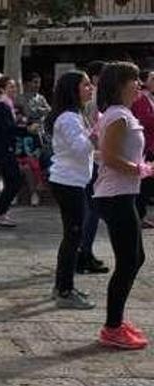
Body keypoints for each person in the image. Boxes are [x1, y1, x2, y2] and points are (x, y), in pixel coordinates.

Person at [93, 62, 150, 350]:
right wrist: (141, 170)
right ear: (119, 85)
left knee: (134, 258)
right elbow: (110, 157)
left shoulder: (123, 114)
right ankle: (112, 327)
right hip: (115, 196)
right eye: (134, 80)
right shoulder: (117, 115)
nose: (139, 84)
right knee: (129, 260)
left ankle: (116, 320)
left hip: (122, 193)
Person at [45, 70, 97, 310]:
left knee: (73, 235)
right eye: (86, 85)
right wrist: (98, 131)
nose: (90, 88)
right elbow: (79, 148)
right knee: (73, 236)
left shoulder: (75, 115)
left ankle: (62, 286)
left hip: (74, 181)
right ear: (73, 89)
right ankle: (64, 290)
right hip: (68, 183)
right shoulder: (68, 118)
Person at [0, 74, 36, 227]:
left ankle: (2, 212)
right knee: (14, 180)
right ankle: (0, 213)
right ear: (2, 89)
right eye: (10, 86)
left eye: (15, 86)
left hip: (6, 148)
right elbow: (8, 129)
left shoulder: (6, 105)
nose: (14, 89)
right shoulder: (1, 106)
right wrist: (27, 129)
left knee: (13, 180)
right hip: (3, 148)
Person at [78, 60, 110, 274]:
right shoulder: (95, 99)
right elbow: (91, 132)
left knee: (93, 209)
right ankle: (84, 253)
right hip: (93, 159)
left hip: (94, 159)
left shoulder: (94, 98)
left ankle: (84, 251)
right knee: (92, 209)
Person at [130, 68, 154, 227]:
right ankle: (138, 216)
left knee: (148, 184)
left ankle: (141, 215)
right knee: (144, 184)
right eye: (152, 79)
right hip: (145, 147)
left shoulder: (150, 99)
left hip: (151, 145)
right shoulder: (140, 100)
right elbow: (143, 120)